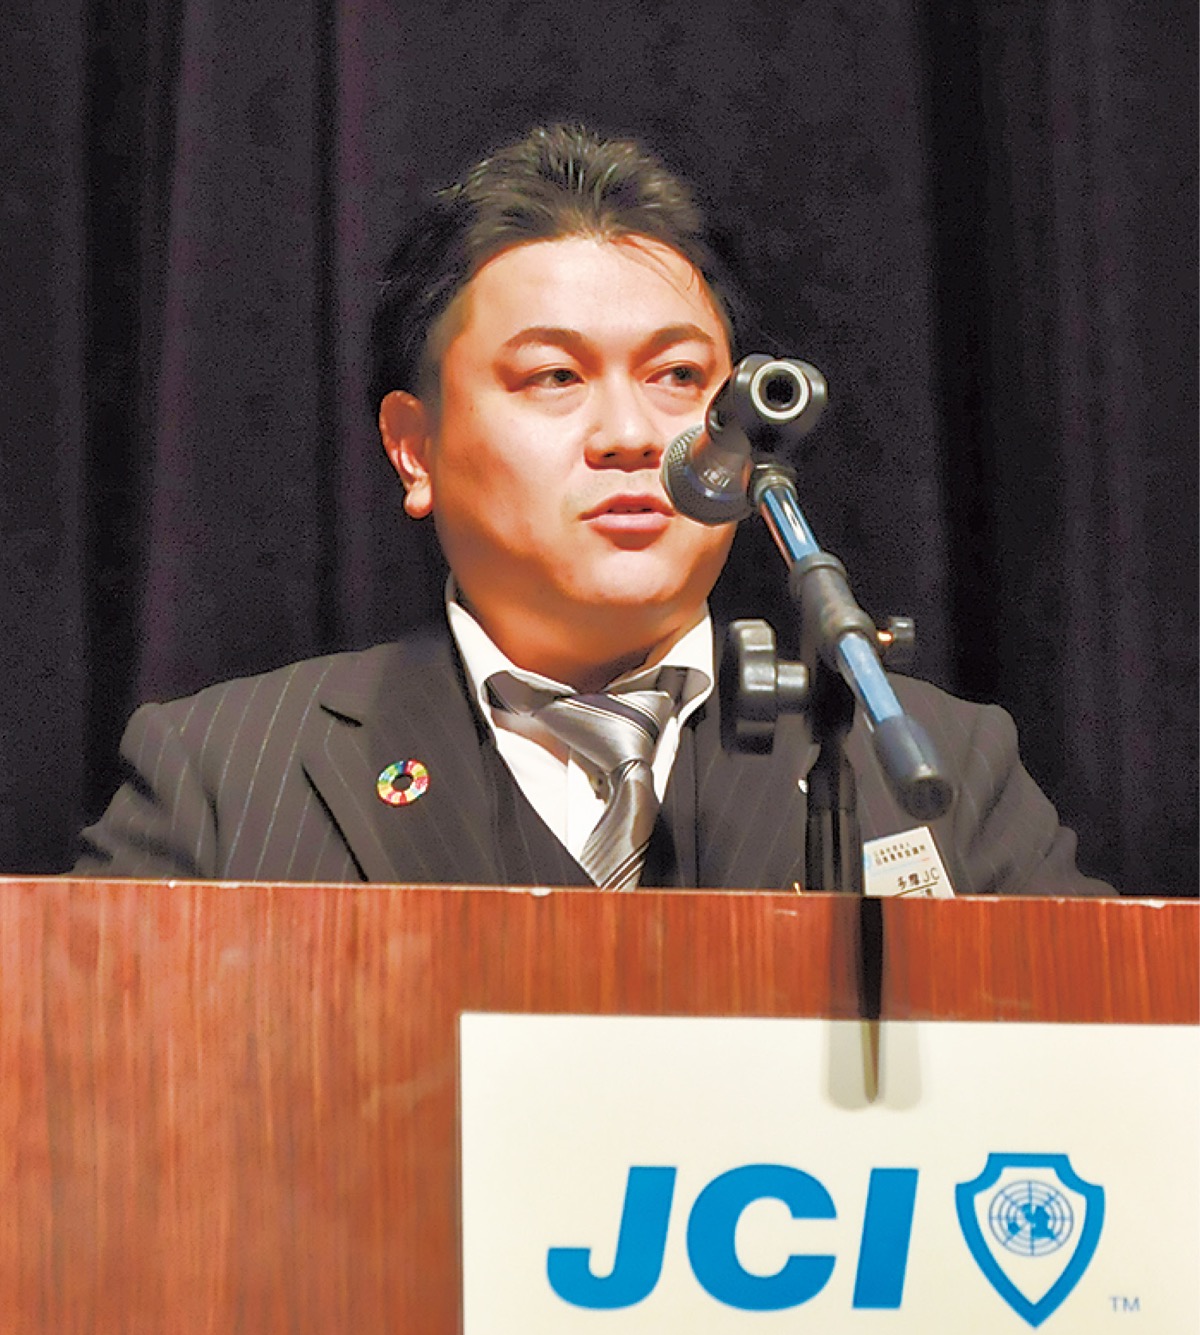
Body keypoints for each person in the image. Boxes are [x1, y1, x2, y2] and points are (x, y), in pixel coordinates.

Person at [73, 123, 1111, 895]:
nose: (629, 434)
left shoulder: (934, 770)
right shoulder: (222, 780)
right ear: (415, 448)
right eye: (554, 377)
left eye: (677, 377)